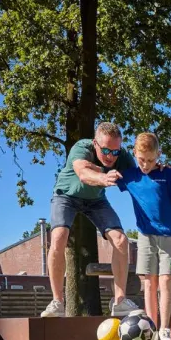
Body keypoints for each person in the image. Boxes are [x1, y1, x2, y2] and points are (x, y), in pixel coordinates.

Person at [41, 122, 139, 318]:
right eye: (105, 151)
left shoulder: (122, 157)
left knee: (121, 240)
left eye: (115, 151)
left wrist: (157, 168)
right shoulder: (81, 148)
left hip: (96, 201)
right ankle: (57, 302)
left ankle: (119, 301)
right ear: (95, 144)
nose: (110, 156)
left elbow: (142, 176)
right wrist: (103, 179)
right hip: (66, 196)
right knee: (59, 236)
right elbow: (83, 173)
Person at [116, 132, 171, 340]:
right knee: (149, 282)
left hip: (170, 236)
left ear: (159, 154)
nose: (146, 164)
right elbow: (107, 174)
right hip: (145, 237)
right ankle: (152, 329)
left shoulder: (167, 174)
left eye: (151, 160)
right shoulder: (130, 176)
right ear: (135, 154)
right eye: (142, 159)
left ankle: (165, 329)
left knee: (165, 280)